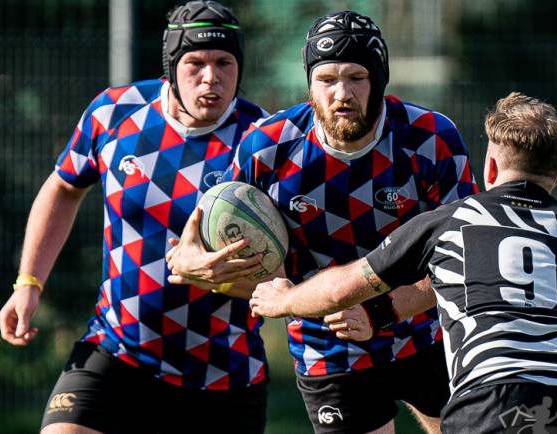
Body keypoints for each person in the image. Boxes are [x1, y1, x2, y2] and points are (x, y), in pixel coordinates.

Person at [250, 92, 557, 433]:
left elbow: (343, 288)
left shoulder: (450, 223)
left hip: (487, 407)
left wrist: (284, 299)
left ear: (489, 167)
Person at [172, 10, 478, 434]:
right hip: (327, 348)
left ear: (379, 80)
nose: (342, 93)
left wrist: (382, 310)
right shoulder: (268, 146)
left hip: (428, 332)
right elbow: (202, 232)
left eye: (356, 77)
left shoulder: (430, 138)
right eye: (327, 79)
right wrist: (189, 262)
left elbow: (466, 259)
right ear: (310, 85)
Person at [0, 2, 271, 433]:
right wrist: (28, 283)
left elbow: (294, 269)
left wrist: (217, 276)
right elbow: (64, 187)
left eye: (224, 63)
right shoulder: (115, 114)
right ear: (170, 67)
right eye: (195, 64)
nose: (210, 78)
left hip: (222, 375)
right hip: (116, 353)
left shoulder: (266, 142)